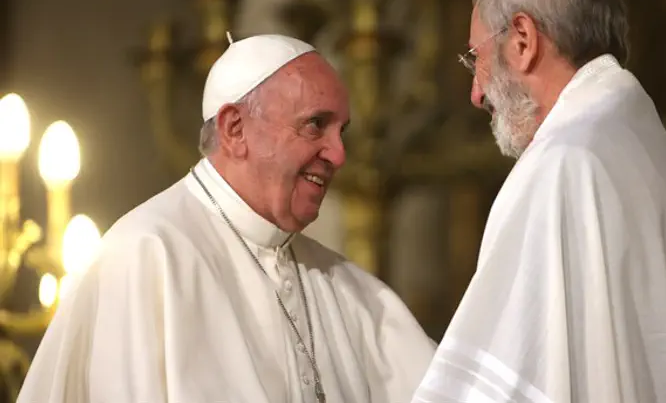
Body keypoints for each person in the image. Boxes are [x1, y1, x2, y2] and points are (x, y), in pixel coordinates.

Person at [18, 34, 435, 403]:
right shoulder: (147, 254)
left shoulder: (351, 291)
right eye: (315, 125)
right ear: (234, 128)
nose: (339, 154)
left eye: (340, 131)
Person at [410, 0, 666, 402]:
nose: (476, 92)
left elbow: (500, 386)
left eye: (477, 58)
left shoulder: (561, 167)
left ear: (522, 40)